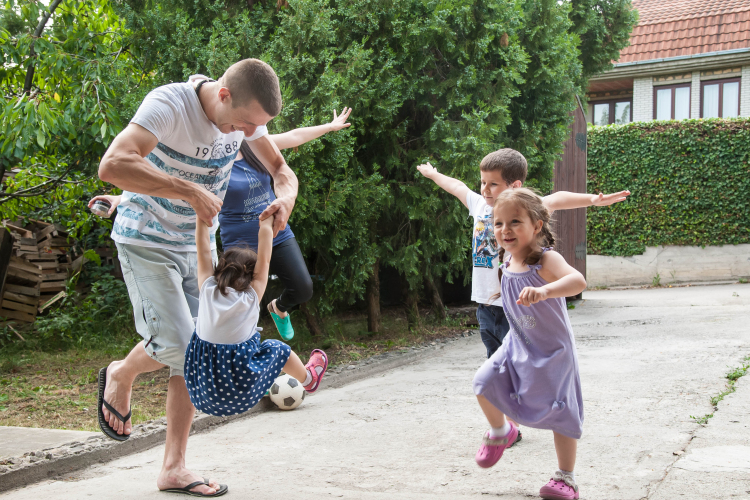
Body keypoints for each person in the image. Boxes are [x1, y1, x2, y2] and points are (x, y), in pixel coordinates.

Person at [96, 58, 296, 497]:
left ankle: (173, 467)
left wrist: (286, 199)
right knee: (181, 347)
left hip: (197, 246)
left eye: (255, 128)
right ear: (224, 94)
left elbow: (283, 171)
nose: (248, 135)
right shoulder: (169, 105)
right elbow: (112, 165)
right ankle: (122, 373)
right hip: (147, 237)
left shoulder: (247, 123)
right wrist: (187, 189)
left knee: (199, 348)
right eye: (244, 123)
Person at [90, 108, 354, 341]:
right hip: (239, 241)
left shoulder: (255, 146)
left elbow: (294, 137)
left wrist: (329, 127)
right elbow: (168, 182)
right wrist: (120, 198)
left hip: (274, 229)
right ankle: (244, 358)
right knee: (239, 305)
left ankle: (279, 308)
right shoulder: (210, 164)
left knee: (303, 287)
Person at [416, 150, 629, 359]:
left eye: (493, 184)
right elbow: (456, 186)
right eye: (482, 182)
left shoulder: (525, 208)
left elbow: (557, 198)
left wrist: (593, 199)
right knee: (496, 367)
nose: (485, 190)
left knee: (522, 365)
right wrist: (433, 174)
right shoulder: (480, 205)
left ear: (515, 185)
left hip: (517, 307)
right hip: (486, 305)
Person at [472, 188, 587, 500]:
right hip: (518, 344)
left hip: (553, 352)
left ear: (537, 225)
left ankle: (566, 477)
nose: (505, 230)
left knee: (560, 411)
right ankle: (501, 432)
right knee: (483, 383)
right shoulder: (507, 259)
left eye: (514, 222)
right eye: (498, 224)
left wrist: (546, 291)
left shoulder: (545, 259)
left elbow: (577, 280)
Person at [185, 215, 328, 417]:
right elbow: (266, 259)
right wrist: (266, 225)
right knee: (277, 348)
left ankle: (263, 382)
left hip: (201, 396)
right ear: (252, 277)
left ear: (220, 269)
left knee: (194, 335)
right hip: (241, 397)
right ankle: (309, 379)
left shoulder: (207, 288)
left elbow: (203, 250)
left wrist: (202, 216)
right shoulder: (251, 297)